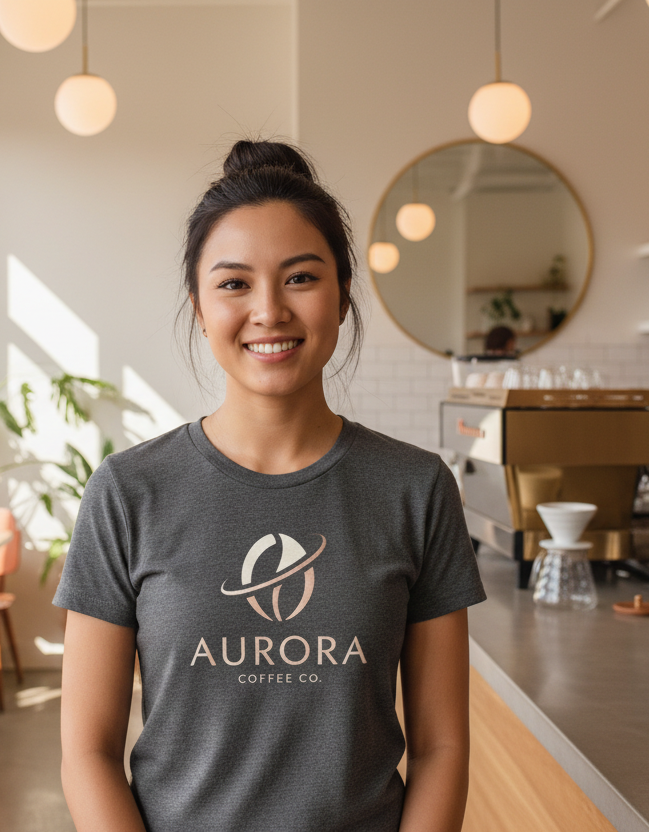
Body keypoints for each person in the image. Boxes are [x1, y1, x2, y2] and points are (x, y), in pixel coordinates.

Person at [55, 139, 486, 832]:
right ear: (198, 305)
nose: (269, 311)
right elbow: (86, 752)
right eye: (234, 284)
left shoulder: (415, 488)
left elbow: (443, 746)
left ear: (343, 296)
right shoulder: (129, 491)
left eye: (301, 278)